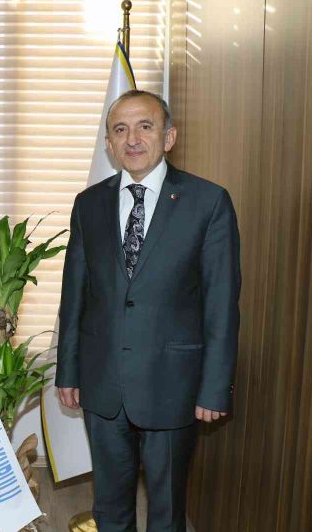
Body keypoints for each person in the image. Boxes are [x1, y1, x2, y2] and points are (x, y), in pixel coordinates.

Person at [56, 90, 241, 532]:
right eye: (120, 129)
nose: (132, 139)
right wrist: (68, 371)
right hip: (103, 385)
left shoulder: (208, 202)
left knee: (167, 511)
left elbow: (221, 303)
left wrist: (214, 388)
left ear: (168, 136)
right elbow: (75, 294)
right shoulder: (88, 204)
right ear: (108, 144)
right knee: (109, 509)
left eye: (145, 126)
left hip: (173, 386)